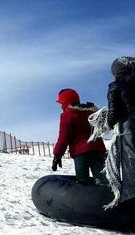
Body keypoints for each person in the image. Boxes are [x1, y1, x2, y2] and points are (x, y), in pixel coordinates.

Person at [52, 88, 108, 184]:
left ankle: (87, 197)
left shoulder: (67, 115)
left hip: (81, 153)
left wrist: (57, 155)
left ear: (66, 102)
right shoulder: (93, 112)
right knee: (102, 180)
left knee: (83, 182)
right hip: (98, 151)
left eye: (61, 103)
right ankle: (108, 196)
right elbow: (104, 128)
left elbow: (63, 138)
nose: (61, 106)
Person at [105, 57, 135, 202]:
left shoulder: (115, 86)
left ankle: (130, 197)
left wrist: (109, 124)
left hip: (129, 126)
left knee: (130, 159)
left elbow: (113, 112)